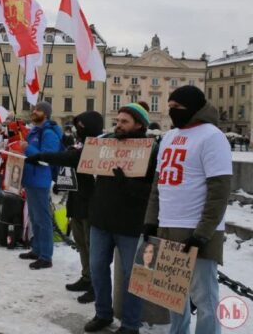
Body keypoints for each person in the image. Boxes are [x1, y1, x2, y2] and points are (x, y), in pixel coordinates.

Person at [143, 86, 232, 334]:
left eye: (177, 108)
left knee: (204, 295)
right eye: (169, 107)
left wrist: (202, 233)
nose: (172, 112)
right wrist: (151, 221)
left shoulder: (212, 136)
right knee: (172, 294)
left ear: (193, 108)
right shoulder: (169, 137)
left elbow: (219, 191)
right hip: (168, 224)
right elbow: (158, 185)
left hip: (196, 226)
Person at [83, 103, 158, 334]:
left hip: (131, 224)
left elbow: (151, 191)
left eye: (124, 122)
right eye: (117, 121)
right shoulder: (106, 141)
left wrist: (127, 182)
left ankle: (130, 324)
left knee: (131, 276)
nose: (119, 125)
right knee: (97, 268)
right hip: (101, 219)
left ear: (139, 124)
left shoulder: (152, 150)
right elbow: (78, 158)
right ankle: (103, 314)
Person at [25, 111, 104, 303]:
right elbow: (68, 162)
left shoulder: (97, 146)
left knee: (91, 246)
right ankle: (86, 277)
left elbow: (69, 159)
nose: (78, 130)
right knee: (81, 244)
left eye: (82, 126)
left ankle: (96, 285)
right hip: (77, 200)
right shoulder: (79, 144)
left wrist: (41, 155)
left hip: (91, 202)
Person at [19, 101, 63, 270]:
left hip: (40, 179)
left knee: (42, 219)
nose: (33, 111)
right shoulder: (35, 131)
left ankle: (46, 255)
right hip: (31, 178)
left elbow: (47, 157)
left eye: (37, 110)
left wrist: (27, 148)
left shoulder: (49, 133)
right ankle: (37, 249)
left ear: (45, 113)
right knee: (35, 218)